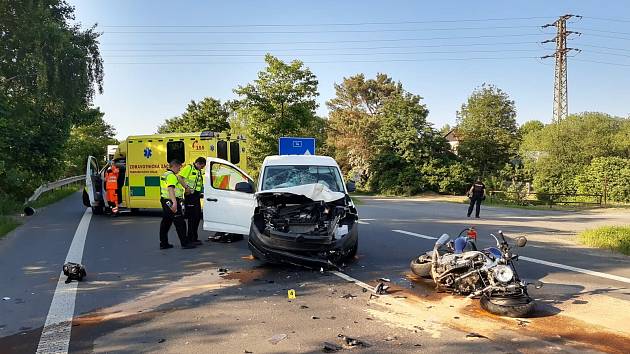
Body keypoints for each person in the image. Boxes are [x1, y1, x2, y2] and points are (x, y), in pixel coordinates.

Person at [159, 160, 193, 249]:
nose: (179, 169)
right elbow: (171, 189)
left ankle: (163, 243)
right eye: (179, 167)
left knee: (166, 222)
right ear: (175, 166)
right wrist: (174, 203)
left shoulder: (166, 174)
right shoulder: (171, 176)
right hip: (171, 201)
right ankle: (185, 243)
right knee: (180, 222)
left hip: (165, 200)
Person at [179, 157, 206, 246]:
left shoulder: (198, 170)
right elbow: (180, 177)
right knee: (192, 218)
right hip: (190, 196)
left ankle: (194, 238)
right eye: (202, 166)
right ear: (198, 163)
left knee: (197, 217)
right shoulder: (189, 168)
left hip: (196, 196)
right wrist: (186, 188)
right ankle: (190, 239)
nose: (202, 168)